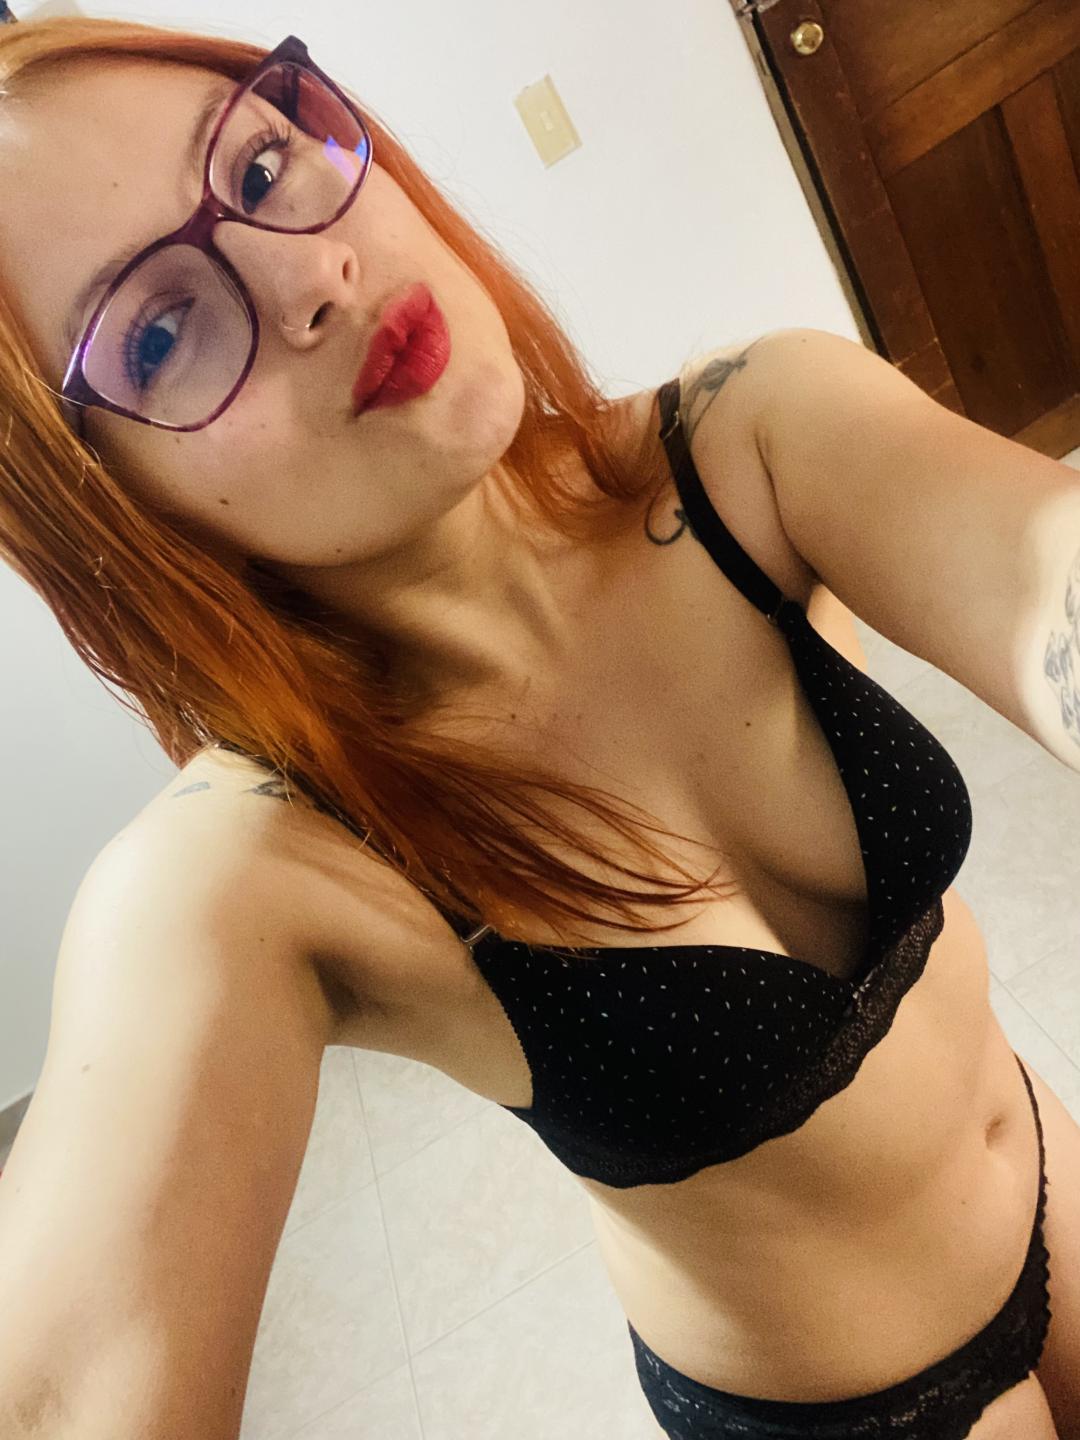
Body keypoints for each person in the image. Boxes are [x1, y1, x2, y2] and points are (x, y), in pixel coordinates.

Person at [0, 15, 1077, 1440]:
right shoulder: (250, 874)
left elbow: (1043, 570)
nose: (307, 275)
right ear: (109, 509)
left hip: (1052, 1167)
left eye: (258, 165)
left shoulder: (753, 438)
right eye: (156, 331)